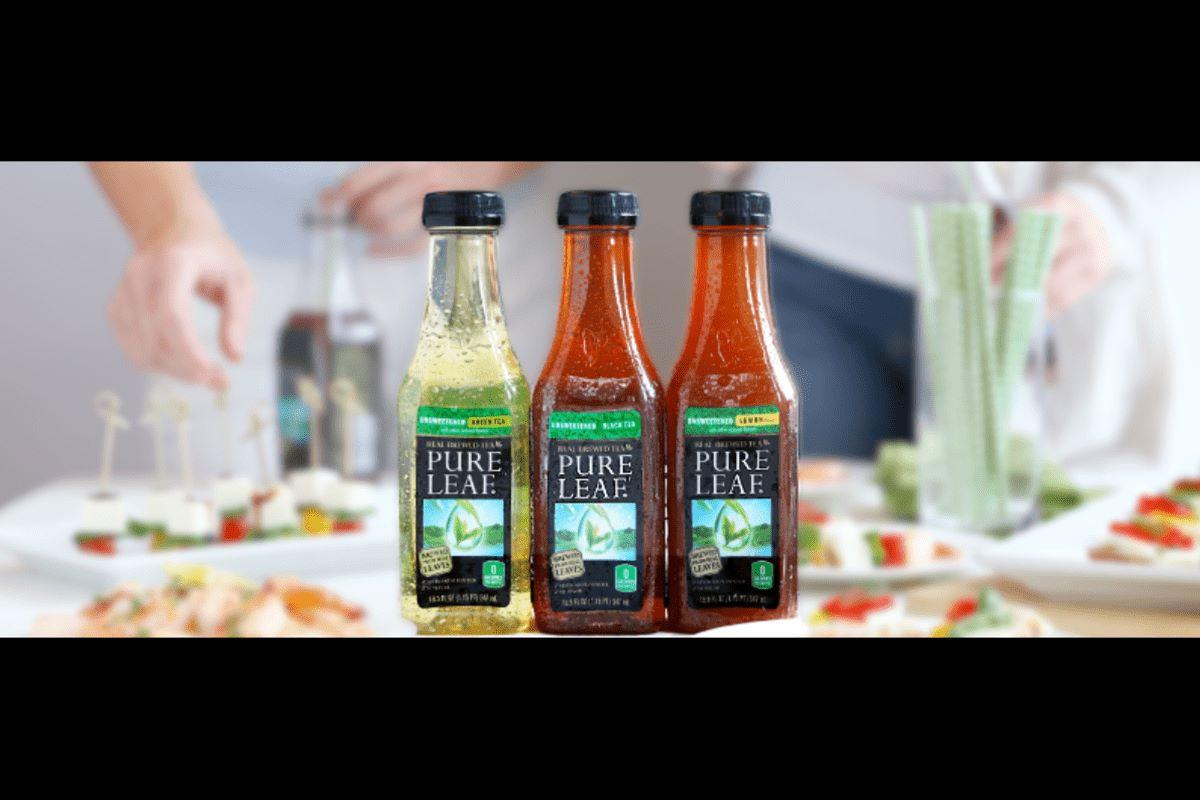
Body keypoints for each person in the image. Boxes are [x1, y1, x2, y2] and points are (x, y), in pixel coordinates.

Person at [710, 161, 1200, 473]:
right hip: (812, 253)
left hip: (1030, 277)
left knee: (1015, 555)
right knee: (793, 552)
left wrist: (1115, 204)